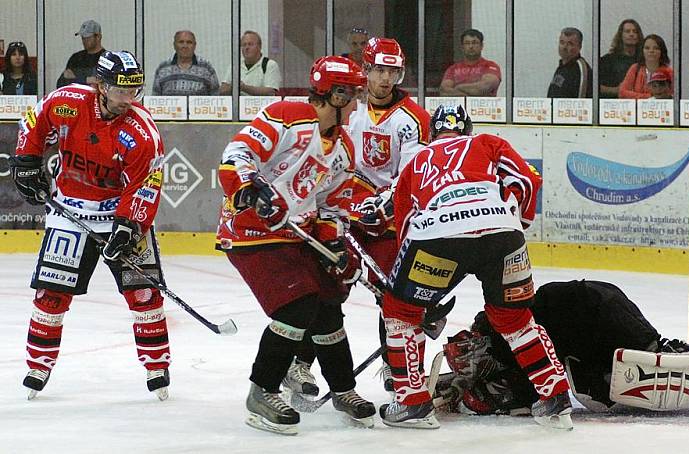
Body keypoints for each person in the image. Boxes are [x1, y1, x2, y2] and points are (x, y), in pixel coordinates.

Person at [379, 105, 573, 431]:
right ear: (467, 129)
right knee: (514, 317)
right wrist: (516, 222)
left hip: (438, 236)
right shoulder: (485, 141)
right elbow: (527, 180)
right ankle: (554, 395)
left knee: (400, 311)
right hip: (502, 233)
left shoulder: (416, 162)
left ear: (430, 135)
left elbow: (406, 223)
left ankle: (411, 403)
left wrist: (414, 292)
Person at [216, 55, 376, 435]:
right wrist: (249, 187)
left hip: (296, 234)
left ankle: (343, 389)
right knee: (297, 306)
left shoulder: (343, 150)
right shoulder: (286, 115)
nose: (356, 104)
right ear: (334, 94)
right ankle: (262, 391)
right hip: (251, 231)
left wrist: (333, 241)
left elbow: (331, 207)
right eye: (351, 95)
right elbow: (236, 155)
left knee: (328, 303)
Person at [11, 50, 171, 401]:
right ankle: (38, 364)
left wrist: (129, 226)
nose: (128, 100)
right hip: (71, 211)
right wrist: (26, 161)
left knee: (143, 294)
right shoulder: (67, 101)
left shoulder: (141, 131)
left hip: (119, 215)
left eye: (135, 91)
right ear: (98, 85)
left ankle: (157, 366)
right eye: (120, 91)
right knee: (51, 295)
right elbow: (33, 120)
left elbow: (146, 184)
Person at [281, 38, 432, 399]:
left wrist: (382, 201)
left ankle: (399, 368)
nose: (385, 79)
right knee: (321, 290)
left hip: (387, 223)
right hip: (341, 217)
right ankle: (299, 361)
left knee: (395, 293)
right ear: (365, 70)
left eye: (392, 71)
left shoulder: (414, 119)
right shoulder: (349, 109)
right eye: (379, 70)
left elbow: (412, 175)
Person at [431, 280, 689, 416]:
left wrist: (465, 395)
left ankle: (667, 351)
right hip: (591, 332)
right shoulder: (499, 344)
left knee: (634, 367)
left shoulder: (502, 331)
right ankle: (676, 359)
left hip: (597, 315)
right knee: (611, 388)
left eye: (468, 360)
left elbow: (525, 391)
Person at [151, 30, 219, 96]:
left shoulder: (206, 68)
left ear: (195, 45)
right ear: (174, 45)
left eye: (189, 42)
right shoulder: (163, 68)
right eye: (181, 42)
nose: (185, 46)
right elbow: (155, 97)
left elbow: (216, 96)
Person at [439, 29, 502, 96]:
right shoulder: (453, 69)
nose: (471, 46)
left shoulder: (490, 66)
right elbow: (444, 91)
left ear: (481, 46)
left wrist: (458, 87)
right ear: (462, 47)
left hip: (482, 106)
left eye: (474, 43)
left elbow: (484, 87)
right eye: (467, 43)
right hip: (459, 106)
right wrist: (466, 95)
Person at [219, 31, 281, 96]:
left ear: (259, 47)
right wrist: (234, 86)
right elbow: (222, 90)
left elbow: (270, 91)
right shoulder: (235, 65)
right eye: (244, 45)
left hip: (262, 106)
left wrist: (244, 87)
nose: (247, 48)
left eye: (250, 44)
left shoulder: (270, 65)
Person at [599, 19, 643, 98]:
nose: (631, 34)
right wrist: (617, 90)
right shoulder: (607, 60)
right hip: (614, 105)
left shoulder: (644, 60)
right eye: (627, 31)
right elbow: (595, 87)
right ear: (621, 35)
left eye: (635, 31)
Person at [619, 33, 672, 99]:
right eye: (647, 48)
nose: (651, 51)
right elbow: (622, 92)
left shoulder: (668, 71)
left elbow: (673, 94)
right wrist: (648, 97)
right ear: (642, 51)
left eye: (656, 48)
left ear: (662, 51)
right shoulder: (635, 68)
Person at [56, 20, 105, 88]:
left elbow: (102, 84)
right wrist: (87, 80)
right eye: (83, 38)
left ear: (98, 37)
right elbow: (61, 83)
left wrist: (75, 78)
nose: (84, 41)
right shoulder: (76, 58)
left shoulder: (106, 59)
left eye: (88, 38)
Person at [547, 27, 592, 98]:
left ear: (579, 47)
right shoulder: (562, 67)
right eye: (562, 42)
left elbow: (582, 99)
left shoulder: (580, 68)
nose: (564, 47)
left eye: (570, 44)